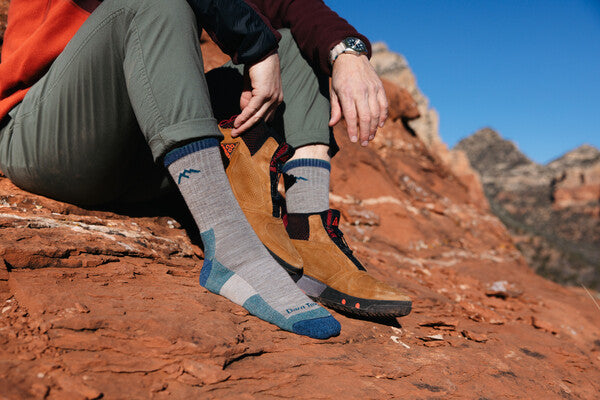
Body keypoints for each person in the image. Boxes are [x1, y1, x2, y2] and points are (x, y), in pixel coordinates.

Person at [0, 0, 410, 339]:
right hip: (48, 137)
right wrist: (254, 43)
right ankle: (229, 246)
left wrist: (347, 53)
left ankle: (308, 234)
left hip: (151, 155)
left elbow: (290, 5)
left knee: (298, 48)